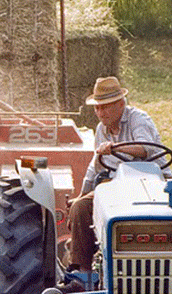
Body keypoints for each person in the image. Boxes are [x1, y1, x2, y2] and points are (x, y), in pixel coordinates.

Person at [68, 76, 166, 272]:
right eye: (97, 108)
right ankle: (83, 272)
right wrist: (81, 194)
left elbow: (146, 149)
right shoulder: (101, 130)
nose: (100, 112)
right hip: (116, 186)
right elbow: (94, 166)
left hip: (152, 184)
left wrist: (115, 148)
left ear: (121, 104)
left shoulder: (138, 119)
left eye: (105, 107)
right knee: (79, 208)